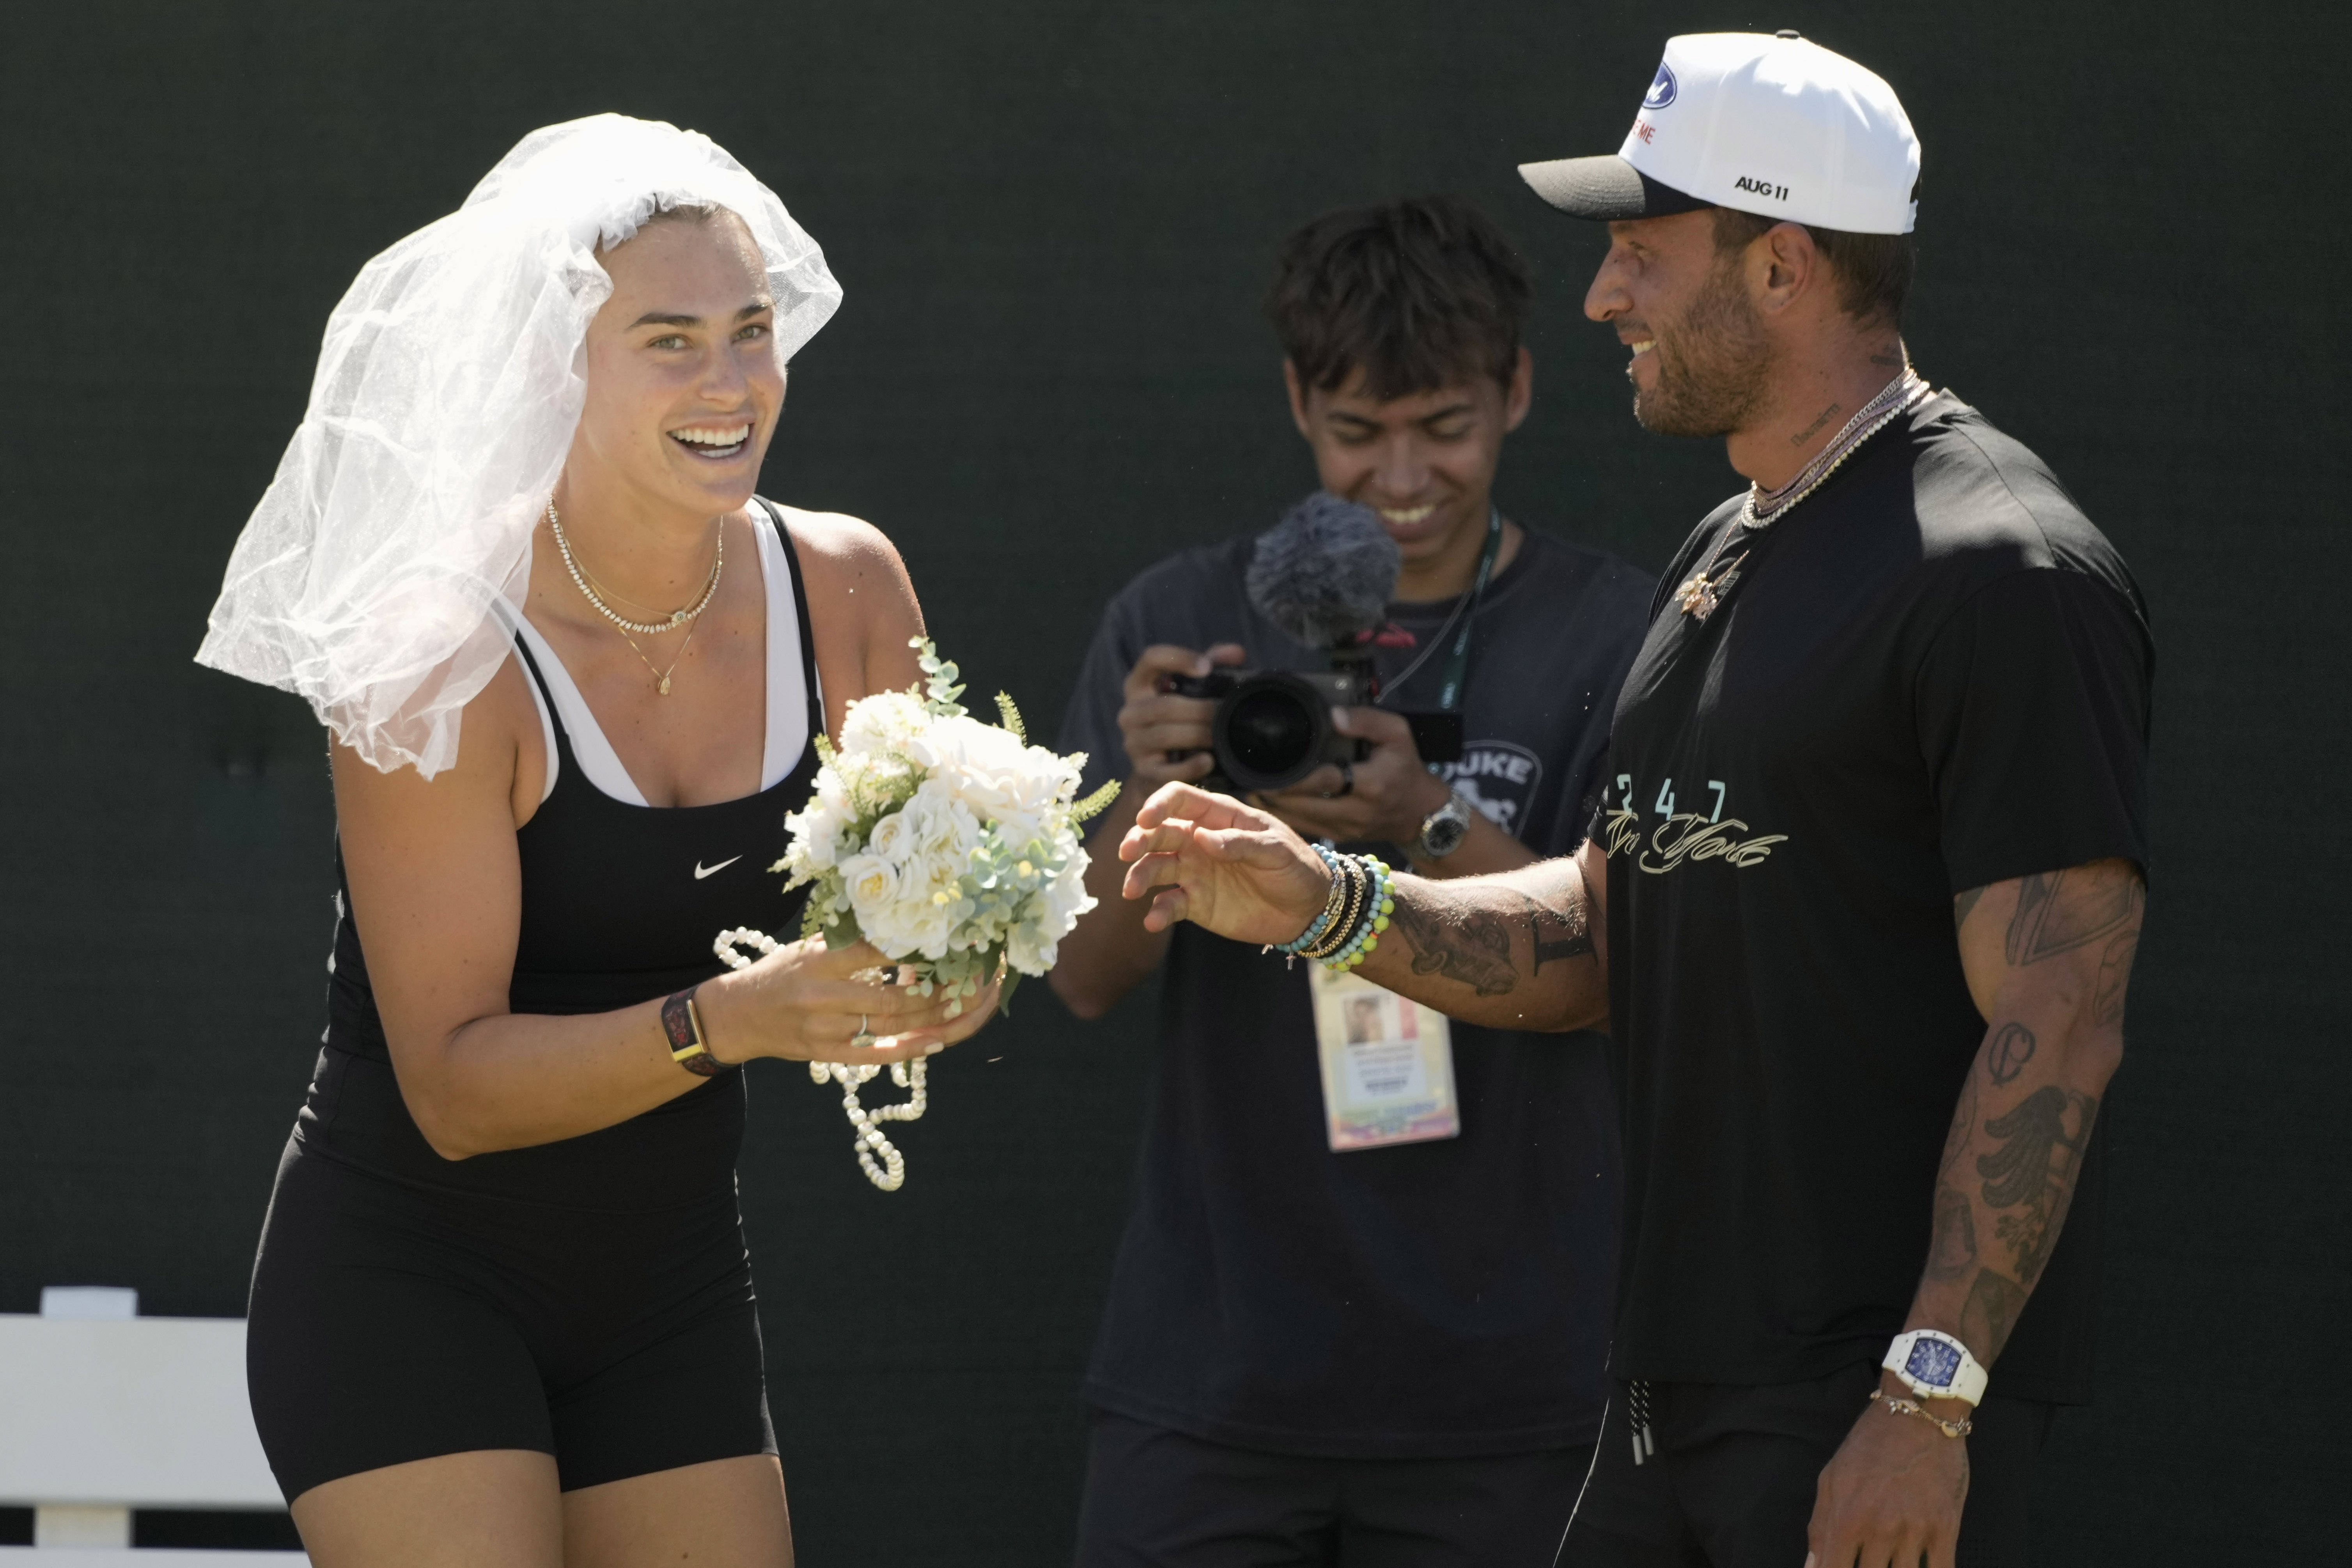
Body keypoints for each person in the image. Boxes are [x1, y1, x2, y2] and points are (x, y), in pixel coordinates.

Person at [1117, 33, 2151, 1568]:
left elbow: (2058, 1017)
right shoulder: (1727, 547)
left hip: (1863, 1412)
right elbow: (1612, 919)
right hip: (1667, 1401)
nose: (1604, 298)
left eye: (1639, 255)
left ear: (1783, 266)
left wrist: (1926, 1401)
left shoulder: (1995, 571)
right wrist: (1327, 902)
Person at [197, 115, 998, 1566]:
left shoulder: (854, 586)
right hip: (406, 1282)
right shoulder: (431, 651)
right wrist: (733, 1017)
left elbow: (925, 917)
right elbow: (452, 1087)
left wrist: (947, 975)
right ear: (550, 368)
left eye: (752, 332)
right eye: (671, 340)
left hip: (673, 1286)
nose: (733, 382)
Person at [1052, 196, 1654, 1564]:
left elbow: (1633, 969)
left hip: (1511, 1385)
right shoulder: (1181, 628)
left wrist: (1420, 816)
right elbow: (1082, 976)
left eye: (1443, 426)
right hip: (1213, 1375)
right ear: (1295, 400)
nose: (1402, 477)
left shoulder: (1614, 632)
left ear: (1516, 388)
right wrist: (1157, 796)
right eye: (1357, 431)